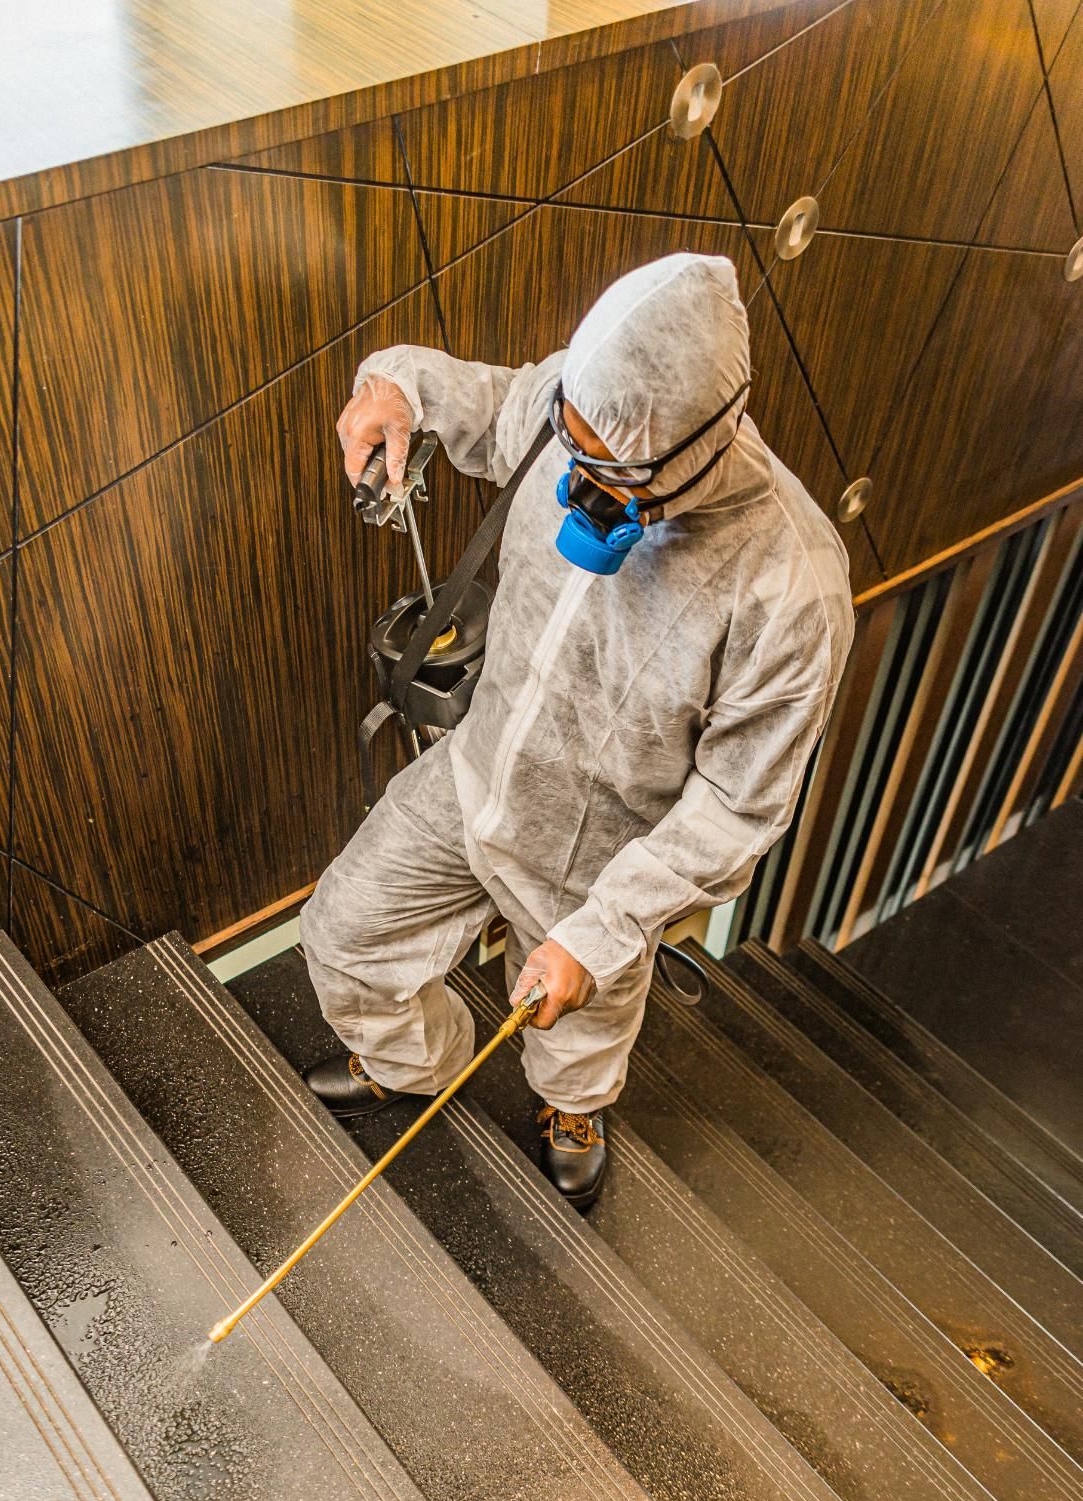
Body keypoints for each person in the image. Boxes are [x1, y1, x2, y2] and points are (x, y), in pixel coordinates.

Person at [300, 253, 853, 1209]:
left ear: (700, 442)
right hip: (474, 773)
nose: (576, 485)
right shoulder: (571, 413)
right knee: (343, 931)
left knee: (572, 1026)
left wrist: (601, 934)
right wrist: (396, 385)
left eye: (609, 472)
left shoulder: (789, 587)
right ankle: (410, 1066)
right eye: (571, 447)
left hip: (597, 859)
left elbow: (737, 804)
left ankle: (573, 1108)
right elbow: (482, 403)